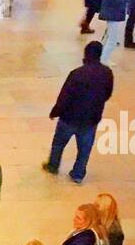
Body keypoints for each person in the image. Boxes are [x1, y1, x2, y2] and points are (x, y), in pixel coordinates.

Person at [42, 41, 114, 185]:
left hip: (69, 118)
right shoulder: (107, 73)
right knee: (84, 149)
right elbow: (108, 93)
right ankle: (78, 174)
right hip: (91, 120)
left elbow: (64, 97)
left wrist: (55, 111)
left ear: (86, 54)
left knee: (58, 144)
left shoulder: (77, 74)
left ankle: (53, 166)